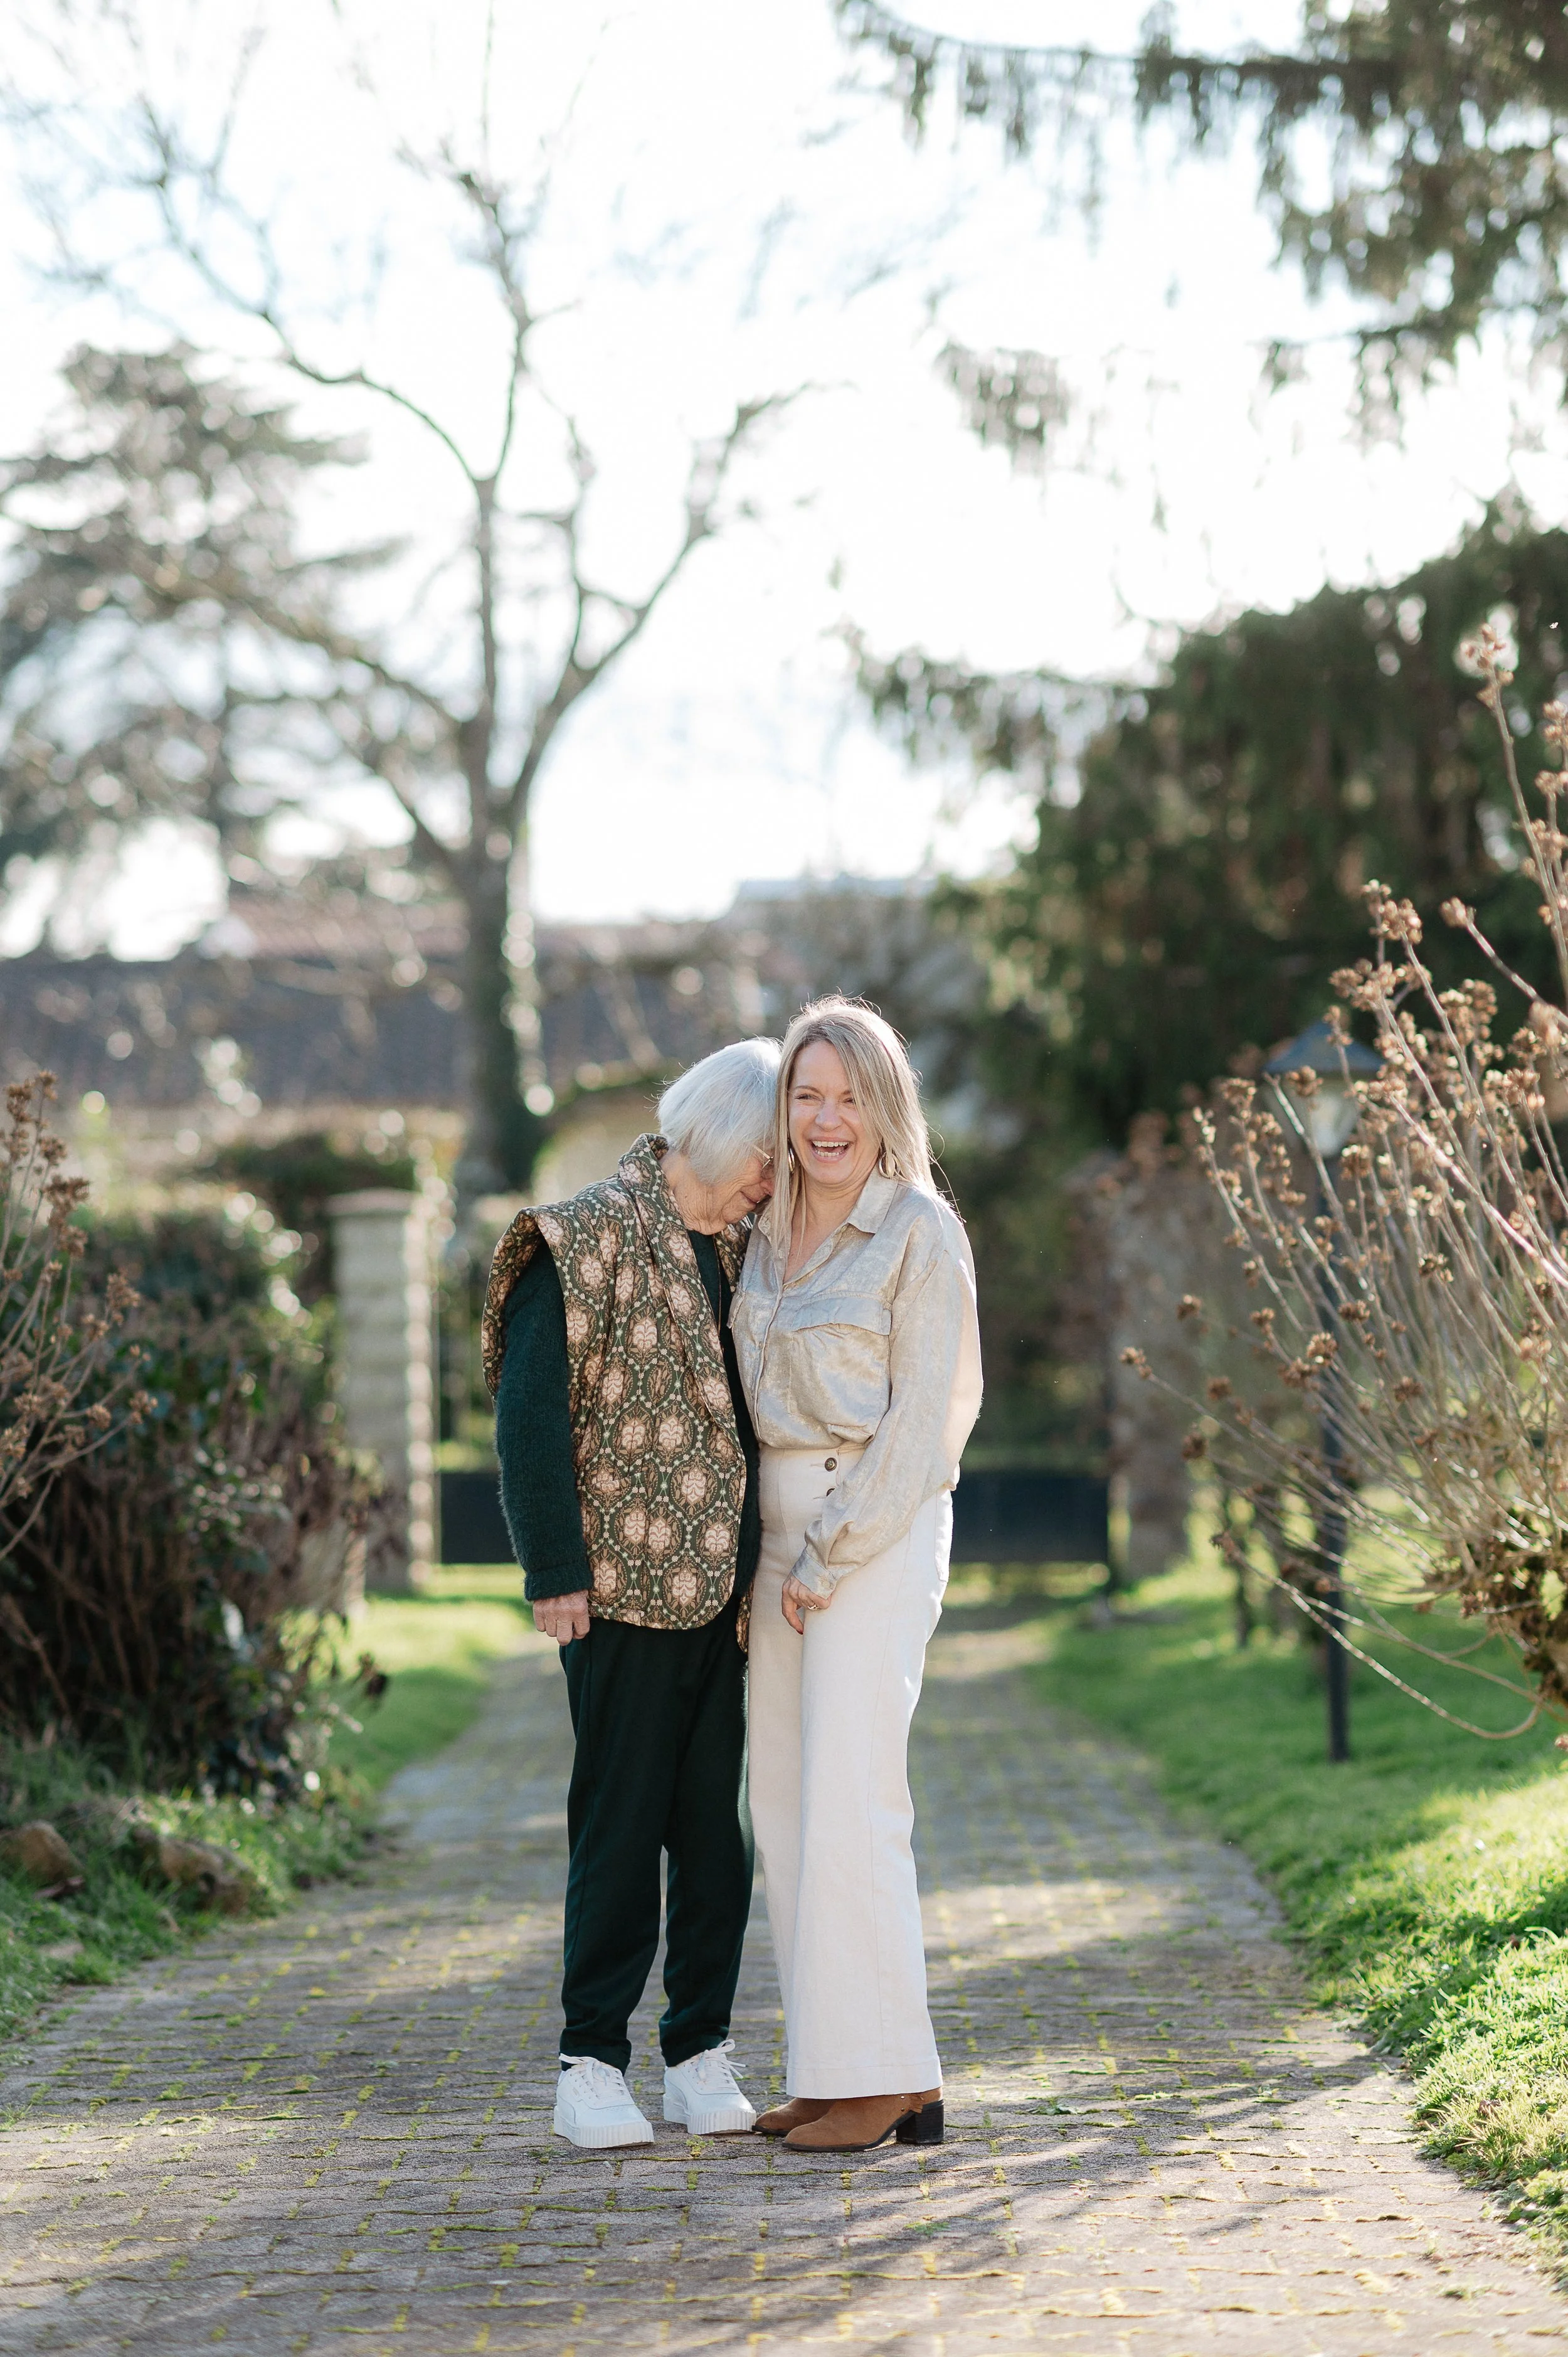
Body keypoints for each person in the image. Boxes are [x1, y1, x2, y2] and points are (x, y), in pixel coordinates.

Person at [482, 1037, 779, 2149]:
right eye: (767, 1157)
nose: (773, 1178)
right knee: (619, 1826)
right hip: (617, 1590)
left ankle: (700, 2051)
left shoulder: (747, 1246)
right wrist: (552, 1568)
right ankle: (589, 2061)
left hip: (728, 1595)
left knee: (715, 1836)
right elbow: (529, 1419)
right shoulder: (585, 1233)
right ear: (723, 1138)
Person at [733, 997, 982, 2154]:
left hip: (870, 1534)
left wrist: (829, 1554)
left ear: (888, 1109)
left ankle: (886, 2075)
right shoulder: (761, 1224)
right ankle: (844, 2074)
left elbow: (927, 1422)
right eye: (808, 1093)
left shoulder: (921, 1232)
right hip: (777, 1538)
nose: (828, 1121)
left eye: (851, 1097)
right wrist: (759, 1562)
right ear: (784, 1104)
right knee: (783, 1809)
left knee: (853, 1798)